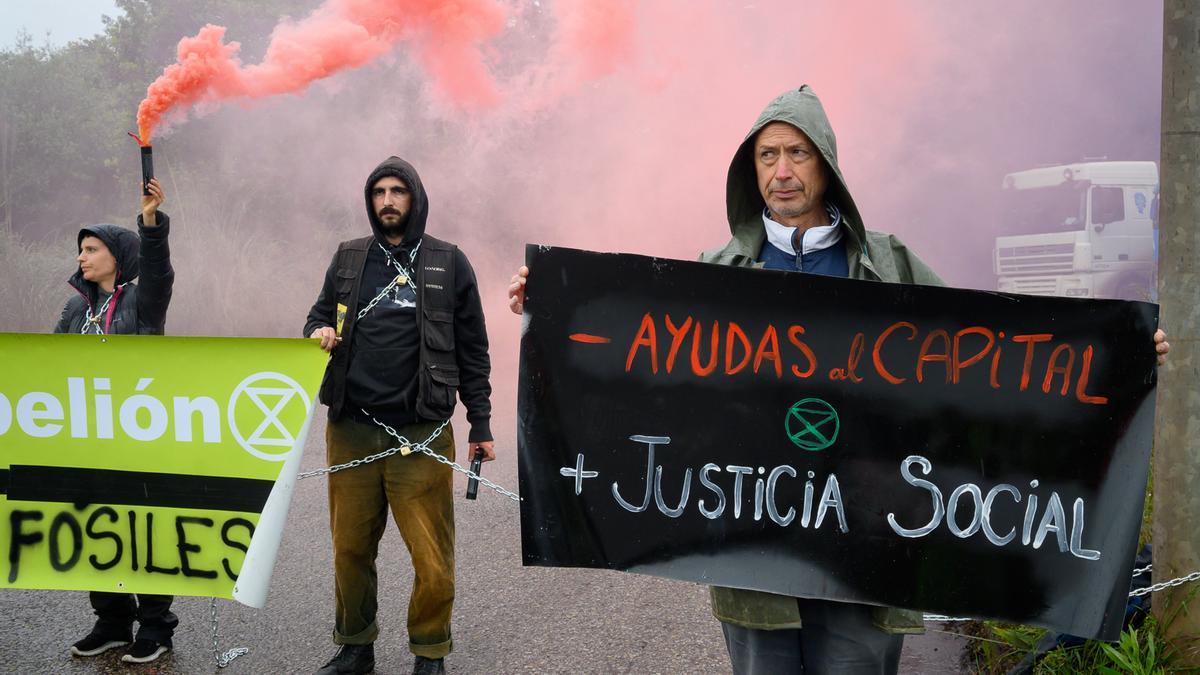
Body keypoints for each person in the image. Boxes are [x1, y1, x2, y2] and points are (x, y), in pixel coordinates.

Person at [507, 86, 1171, 674]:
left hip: (869, 541)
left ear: (826, 164)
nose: (783, 170)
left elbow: (993, 361)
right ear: (750, 169)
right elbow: (639, 369)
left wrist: (1116, 360)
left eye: (798, 153)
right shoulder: (717, 271)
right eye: (767, 156)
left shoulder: (887, 265)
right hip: (751, 544)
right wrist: (553, 310)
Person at [305, 156, 495, 675]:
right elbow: (319, 315)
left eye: (398, 191)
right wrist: (318, 331)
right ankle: (354, 646)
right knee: (349, 549)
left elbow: (474, 349)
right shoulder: (348, 259)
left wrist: (480, 423)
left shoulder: (449, 262)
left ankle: (429, 652)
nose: (387, 201)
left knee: (431, 556)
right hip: (351, 429)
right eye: (378, 193)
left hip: (423, 430)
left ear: (415, 197)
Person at [58, 178, 178, 664]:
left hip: (138, 438)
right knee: (96, 529)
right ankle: (111, 621)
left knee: (143, 530)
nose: (82, 257)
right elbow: (50, 370)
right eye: (80, 250)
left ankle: (155, 628)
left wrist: (150, 221)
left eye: (91, 249)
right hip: (88, 439)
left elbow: (159, 269)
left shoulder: (142, 300)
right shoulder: (73, 308)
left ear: (117, 254)